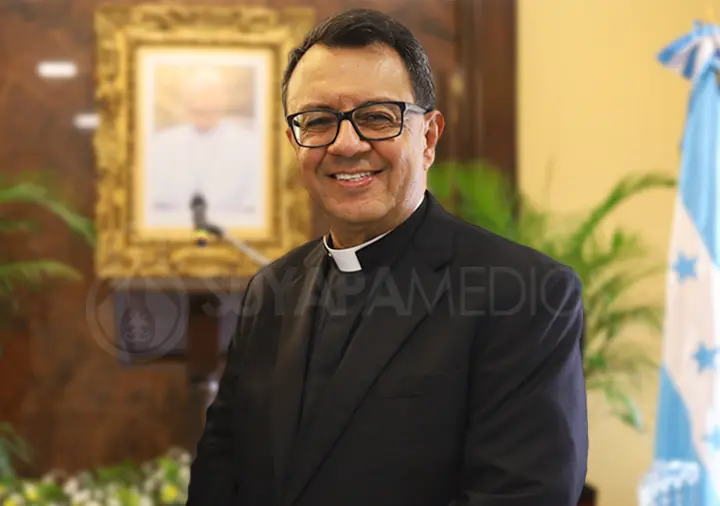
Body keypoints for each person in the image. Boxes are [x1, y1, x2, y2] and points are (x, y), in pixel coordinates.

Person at [187, 8, 588, 506]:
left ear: (429, 137)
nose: (346, 144)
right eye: (318, 121)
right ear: (295, 142)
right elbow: (221, 473)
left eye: (377, 117)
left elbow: (522, 497)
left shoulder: (523, 295)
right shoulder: (271, 291)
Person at [144, 66, 263, 229]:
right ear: (187, 102)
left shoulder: (250, 146)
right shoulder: (161, 145)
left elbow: (253, 207)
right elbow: (154, 203)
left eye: (209, 97)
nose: (202, 104)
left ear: (224, 101)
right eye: (197, 97)